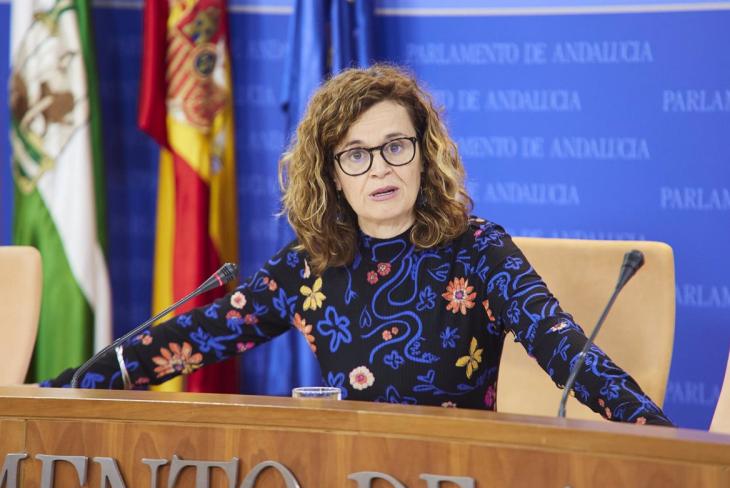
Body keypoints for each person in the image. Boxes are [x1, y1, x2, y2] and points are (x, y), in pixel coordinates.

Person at [45, 64, 672, 426]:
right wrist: (66, 389)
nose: (381, 168)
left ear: (424, 156)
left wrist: (659, 435)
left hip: (460, 477)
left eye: (396, 146)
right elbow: (199, 336)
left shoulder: (478, 250)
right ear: (332, 174)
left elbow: (566, 351)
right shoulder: (308, 267)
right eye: (356, 154)